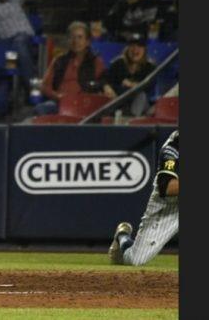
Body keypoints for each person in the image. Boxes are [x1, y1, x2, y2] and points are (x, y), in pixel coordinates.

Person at [109, 130, 178, 266]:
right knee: (136, 260)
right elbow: (168, 188)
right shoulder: (172, 148)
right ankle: (122, 236)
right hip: (169, 206)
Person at [35, 22, 110, 116]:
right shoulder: (59, 60)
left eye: (80, 37)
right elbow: (44, 86)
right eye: (72, 37)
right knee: (41, 109)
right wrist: (58, 96)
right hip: (61, 103)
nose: (76, 41)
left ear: (87, 41)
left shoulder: (96, 61)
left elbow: (104, 82)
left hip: (85, 105)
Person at [102, 32, 156, 116]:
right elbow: (105, 80)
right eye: (132, 46)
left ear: (144, 50)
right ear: (127, 48)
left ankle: (130, 123)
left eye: (139, 46)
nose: (135, 50)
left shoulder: (150, 67)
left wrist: (131, 85)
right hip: (119, 102)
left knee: (141, 96)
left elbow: (149, 87)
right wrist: (107, 87)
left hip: (141, 104)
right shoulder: (118, 63)